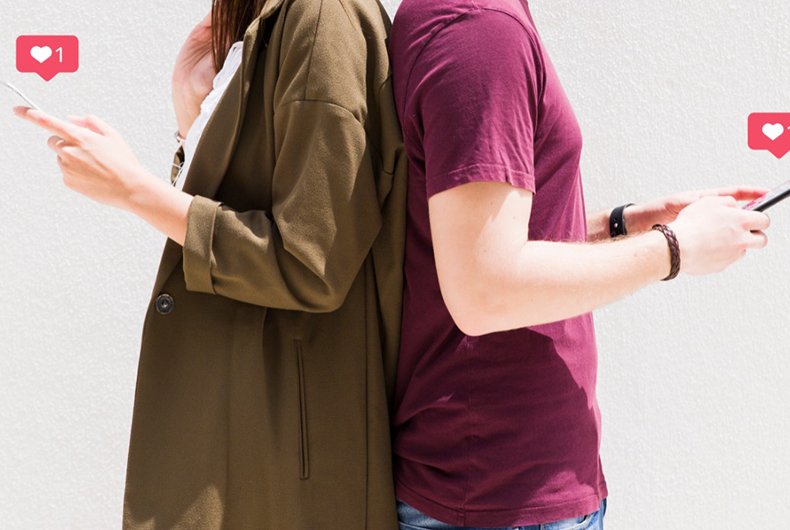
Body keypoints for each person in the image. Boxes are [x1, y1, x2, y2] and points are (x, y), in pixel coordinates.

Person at [13, 0, 406, 528]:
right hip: (247, 433)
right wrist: (191, 114)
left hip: (284, 456)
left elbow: (311, 263)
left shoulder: (321, 18)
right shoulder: (271, 23)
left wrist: (133, 190)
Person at [387, 0, 771, 529]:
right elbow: (484, 288)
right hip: (502, 495)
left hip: (509, 487)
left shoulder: (477, 21)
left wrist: (626, 223)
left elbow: (486, 236)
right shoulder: (480, 31)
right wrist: (675, 248)